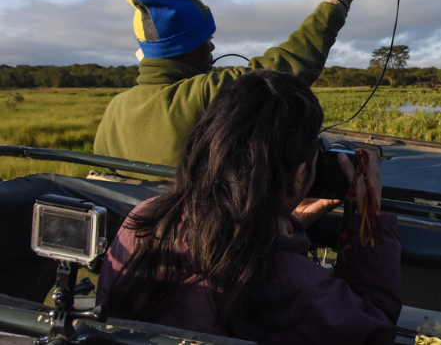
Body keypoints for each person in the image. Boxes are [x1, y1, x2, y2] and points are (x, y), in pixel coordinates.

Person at [96, 70, 402, 344]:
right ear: (298, 177)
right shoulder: (291, 282)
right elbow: (376, 327)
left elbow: (217, 234)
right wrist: (368, 214)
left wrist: (287, 223)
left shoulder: (147, 221)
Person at [94, 0, 375, 168]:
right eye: (208, 40)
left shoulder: (115, 110)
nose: (213, 49)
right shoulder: (205, 94)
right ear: (189, 48)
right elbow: (289, 64)